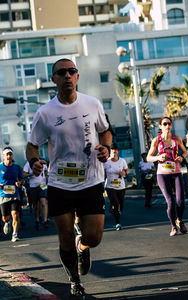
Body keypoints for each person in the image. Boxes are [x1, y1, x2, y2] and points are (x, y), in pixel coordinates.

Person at [25, 58, 112, 299]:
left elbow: (105, 131)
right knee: (64, 234)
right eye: (61, 73)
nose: (67, 76)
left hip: (91, 179)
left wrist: (105, 148)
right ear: (54, 79)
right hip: (60, 182)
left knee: (93, 237)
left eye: (71, 71)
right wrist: (34, 162)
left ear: (77, 76)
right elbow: (32, 146)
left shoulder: (92, 104)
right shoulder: (45, 113)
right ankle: (74, 280)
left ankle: (82, 246)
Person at [147, 117, 188, 237]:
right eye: (164, 124)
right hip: (163, 174)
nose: (167, 126)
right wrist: (158, 158)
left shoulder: (177, 138)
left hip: (176, 172)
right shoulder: (156, 140)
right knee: (170, 201)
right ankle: (173, 226)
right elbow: (149, 157)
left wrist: (182, 157)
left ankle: (179, 220)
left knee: (180, 201)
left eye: (169, 123)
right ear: (160, 126)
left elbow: (185, 152)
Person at [104, 143, 129, 231]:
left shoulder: (122, 161)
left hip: (121, 187)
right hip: (110, 187)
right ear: (110, 152)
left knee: (121, 206)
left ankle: (113, 208)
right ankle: (118, 223)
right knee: (116, 204)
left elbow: (127, 170)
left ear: (117, 151)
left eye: (115, 151)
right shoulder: (106, 162)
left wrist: (124, 173)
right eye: (112, 151)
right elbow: (103, 174)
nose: (114, 153)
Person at [0, 147, 23, 242]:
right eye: (7, 154)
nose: (9, 156)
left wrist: (19, 183)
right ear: (3, 156)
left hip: (14, 194)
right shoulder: (0, 167)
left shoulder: (17, 167)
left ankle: (15, 234)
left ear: (12, 155)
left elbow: (20, 179)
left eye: (10, 154)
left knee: (15, 214)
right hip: (3, 195)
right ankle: (6, 222)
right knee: (5, 217)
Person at [23, 161, 48, 230]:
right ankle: (37, 220)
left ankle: (45, 221)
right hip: (33, 186)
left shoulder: (42, 163)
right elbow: (24, 174)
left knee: (43, 202)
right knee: (36, 205)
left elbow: (46, 173)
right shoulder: (28, 163)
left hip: (42, 186)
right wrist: (31, 173)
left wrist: (47, 178)